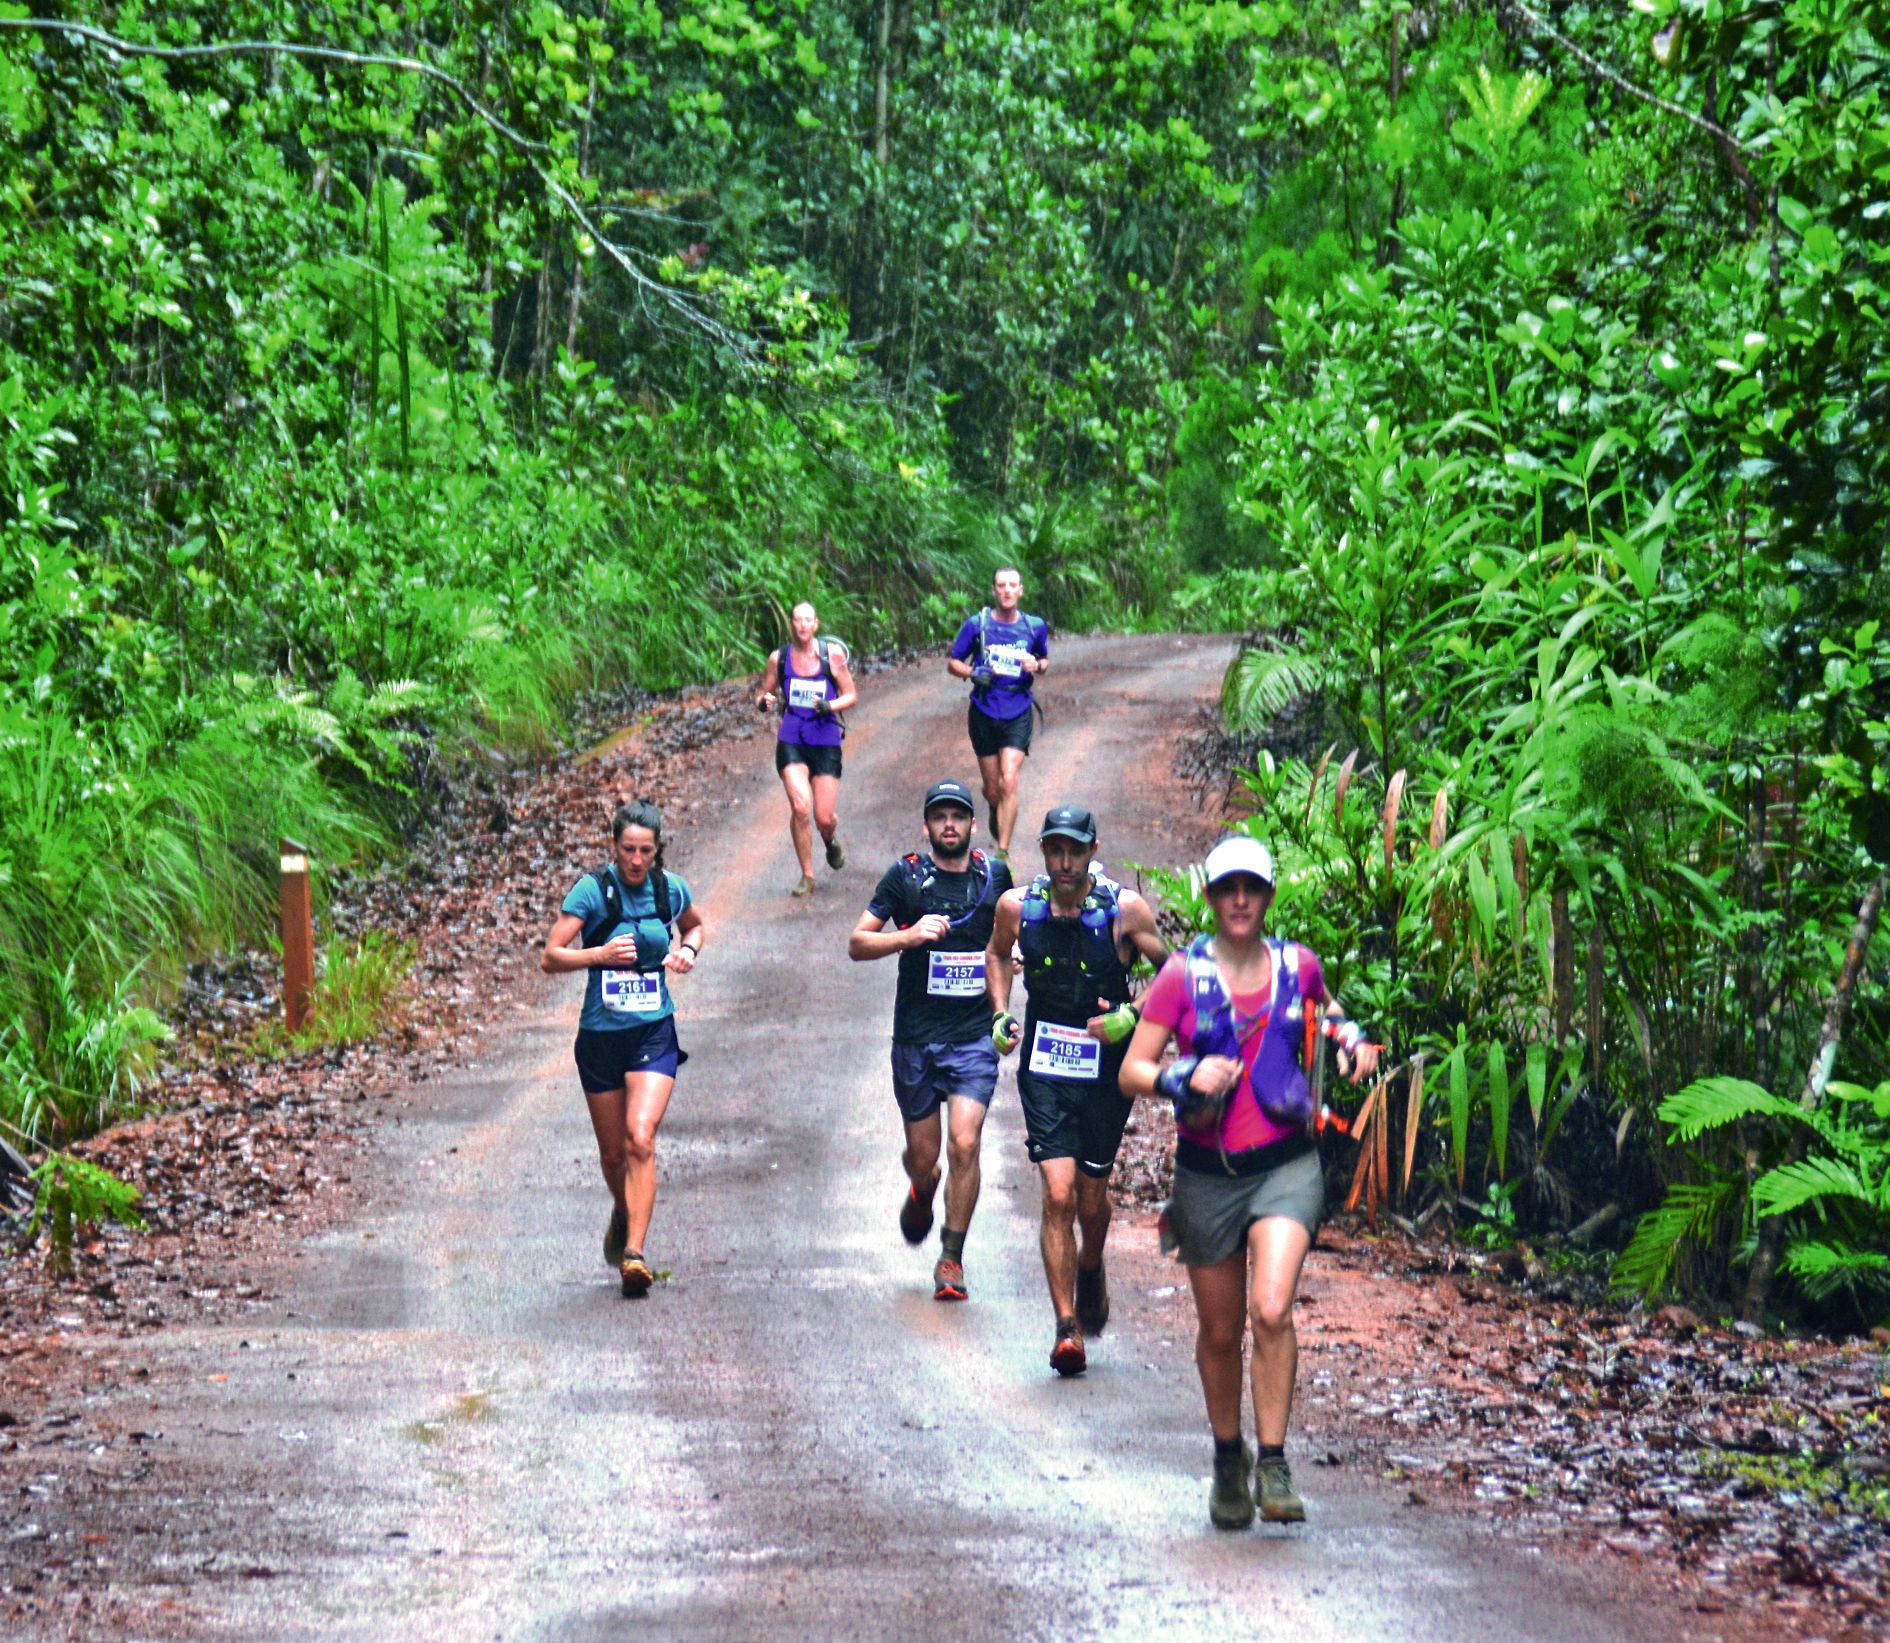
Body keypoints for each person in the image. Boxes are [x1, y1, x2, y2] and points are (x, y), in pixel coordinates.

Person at [1120, 836, 1380, 1529]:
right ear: (1210, 896)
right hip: (1207, 1175)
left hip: (1286, 1166)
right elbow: (1132, 1070)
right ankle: (1227, 1454)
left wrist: (1353, 1046)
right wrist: (1182, 1074)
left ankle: (1274, 1459)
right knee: (1218, 1327)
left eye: (1252, 888)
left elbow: (1331, 1018)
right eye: (1228, 888)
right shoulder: (1180, 975)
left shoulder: (1299, 966)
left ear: (1267, 897)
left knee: (1270, 1309)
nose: (1240, 900)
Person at [988, 806, 1168, 1376]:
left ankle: (1092, 1263)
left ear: (1092, 850)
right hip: (1044, 1068)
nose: (1065, 863)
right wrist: (999, 1014)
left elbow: (1176, 970)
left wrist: (1131, 1015)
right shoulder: (1018, 908)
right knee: (1058, 1194)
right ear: (1043, 851)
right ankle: (1067, 1327)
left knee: (1092, 1200)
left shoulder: (1123, 911)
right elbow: (996, 954)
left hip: (1104, 1075)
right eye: (1055, 851)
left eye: (1076, 851)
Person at [848, 780, 1013, 1301]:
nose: (949, 824)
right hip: (917, 1039)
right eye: (939, 816)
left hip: (971, 1039)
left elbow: (1012, 940)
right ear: (927, 825)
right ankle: (923, 1185)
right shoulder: (907, 877)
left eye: (958, 816)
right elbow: (857, 943)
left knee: (966, 1140)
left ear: (971, 824)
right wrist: (906, 936)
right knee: (926, 1156)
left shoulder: (995, 877)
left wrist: (1015, 964)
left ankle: (951, 1257)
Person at [541, 801, 705, 1298]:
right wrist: (600, 954)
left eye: (646, 852)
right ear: (615, 847)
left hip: (653, 1032)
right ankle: (623, 1208)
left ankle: (634, 1254)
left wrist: (688, 951)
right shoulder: (592, 891)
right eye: (629, 850)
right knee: (614, 1156)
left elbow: (696, 925)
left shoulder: (669, 889)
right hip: (600, 1037)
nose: (637, 860)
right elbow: (551, 956)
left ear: (658, 852)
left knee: (641, 1137)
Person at [756, 601, 858, 897]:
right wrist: (765, 702)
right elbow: (764, 694)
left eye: (808, 620)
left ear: (816, 624)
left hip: (825, 738)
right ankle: (807, 875)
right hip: (792, 738)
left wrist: (830, 705)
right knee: (800, 808)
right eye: (797, 620)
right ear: (791, 624)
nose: (802, 625)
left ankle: (830, 839)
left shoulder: (832, 655)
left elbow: (851, 694)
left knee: (823, 817)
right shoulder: (779, 658)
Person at [946, 567, 1048, 859]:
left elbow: (1045, 660)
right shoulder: (977, 625)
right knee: (993, 789)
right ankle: (994, 806)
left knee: (1009, 778)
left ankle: (1002, 851)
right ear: (994, 590)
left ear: (1020, 591)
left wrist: (1036, 666)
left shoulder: (1033, 627)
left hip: (1018, 708)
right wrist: (972, 672)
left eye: (1012, 585)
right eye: (1001, 585)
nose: (1006, 590)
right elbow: (953, 662)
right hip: (984, 709)